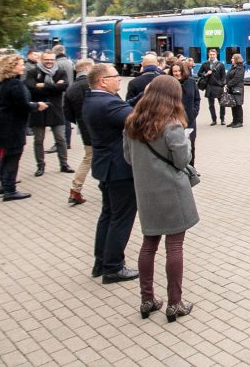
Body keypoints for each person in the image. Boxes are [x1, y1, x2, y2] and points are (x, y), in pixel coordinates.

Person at [123, 75, 198, 322]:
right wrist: (185, 141)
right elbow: (182, 161)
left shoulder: (131, 122)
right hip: (172, 192)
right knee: (174, 246)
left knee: (149, 244)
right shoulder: (172, 125)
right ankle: (175, 303)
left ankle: (147, 299)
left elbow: (128, 158)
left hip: (145, 191)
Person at [82, 63, 139, 284]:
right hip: (119, 169)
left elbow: (124, 108)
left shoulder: (93, 99)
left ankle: (101, 261)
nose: (119, 80)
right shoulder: (107, 103)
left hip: (105, 166)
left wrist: (139, 97)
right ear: (102, 81)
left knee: (108, 215)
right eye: (115, 76)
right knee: (121, 218)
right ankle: (114, 267)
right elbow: (136, 120)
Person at [0, 55, 47, 200]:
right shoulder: (15, 84)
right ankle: (10, 189)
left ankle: (4, 185)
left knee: (6, 155)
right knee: (12, 157)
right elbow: (22, 105)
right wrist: (38, 106)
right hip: (12, 126)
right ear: (11, 67)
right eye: (20, 64)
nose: (23, 67)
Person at [25, 50, 72, 176]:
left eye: (51, 59)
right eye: (46, 59)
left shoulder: (60, 72)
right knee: (39, 140)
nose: (49, 62)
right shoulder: (32, 72)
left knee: (61, 139)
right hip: (38, 109)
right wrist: (53, 86)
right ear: (41, 59)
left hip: (56, 109)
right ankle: (40, 166)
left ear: (55, 60)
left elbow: (64, 87)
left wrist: (42, 85)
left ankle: (64, 164)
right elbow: (30, 88)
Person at [64, 58, 95, 205]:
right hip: (100, 129)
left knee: (89, 157)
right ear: (88, 68)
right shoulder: (93, 84)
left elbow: (68, 115)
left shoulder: (71, 88)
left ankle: (76, 189)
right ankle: (75, 189)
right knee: (91, 158)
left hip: (84, 129)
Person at [168, 61, 200, 166]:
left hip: (190, 120)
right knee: (176, 145)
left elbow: (197, 99)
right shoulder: (169, 83)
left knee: (191, 145)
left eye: (179, 71)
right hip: (174, 122)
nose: (177, 73)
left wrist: (194, 112)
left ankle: (191, 168)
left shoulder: (191, 82)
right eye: (174, 71)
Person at [52, 44, 75, 151]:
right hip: (69, 93)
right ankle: (67, 142)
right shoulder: (70, 63)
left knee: (62, 120)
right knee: (67, 119)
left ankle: (62, 143)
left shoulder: (56, 64)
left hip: (60, 95)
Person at [199, 49, 226, 126]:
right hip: (209, 87)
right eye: (210, 54)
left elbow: (224, 76)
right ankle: (214, 120)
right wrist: (206, 74)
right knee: (211, 105)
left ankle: (222, 119)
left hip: (218, 87)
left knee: (222, 104)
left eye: (213, 54)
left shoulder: (220, 64)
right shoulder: (205, 64)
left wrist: (222, 84)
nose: (212, 56)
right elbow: (199, 73)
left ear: (216, 55)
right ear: (208, 55)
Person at [225, 53, 246, 128]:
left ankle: (239, 122)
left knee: (238, 105)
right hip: (231, 88)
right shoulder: (233, 67)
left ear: (237, 59)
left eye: (233, 58)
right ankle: (234, 121)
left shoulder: (240, 68)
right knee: (233, 104)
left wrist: (228, 84)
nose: (231, 59)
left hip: (237, 89)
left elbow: (237, 79)